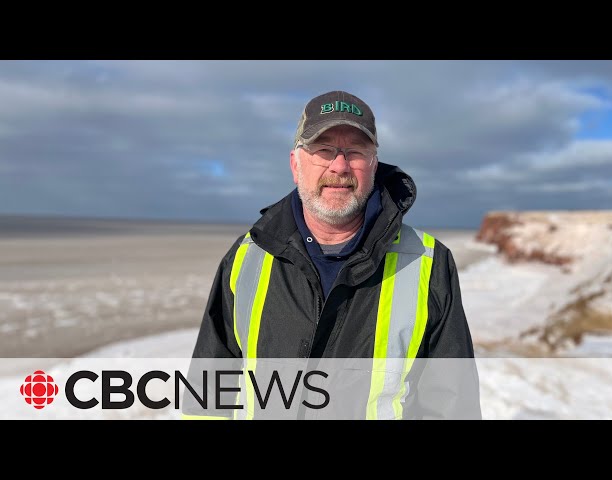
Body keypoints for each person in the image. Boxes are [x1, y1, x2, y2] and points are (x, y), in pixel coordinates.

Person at [183, 90, 481, 420]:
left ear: (373, 165)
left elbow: (453, 404)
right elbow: (208, 392)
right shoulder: (245, 257)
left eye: (355, 151)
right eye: (324, 150)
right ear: (296, 164)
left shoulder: (427, 262)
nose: (339, 166)